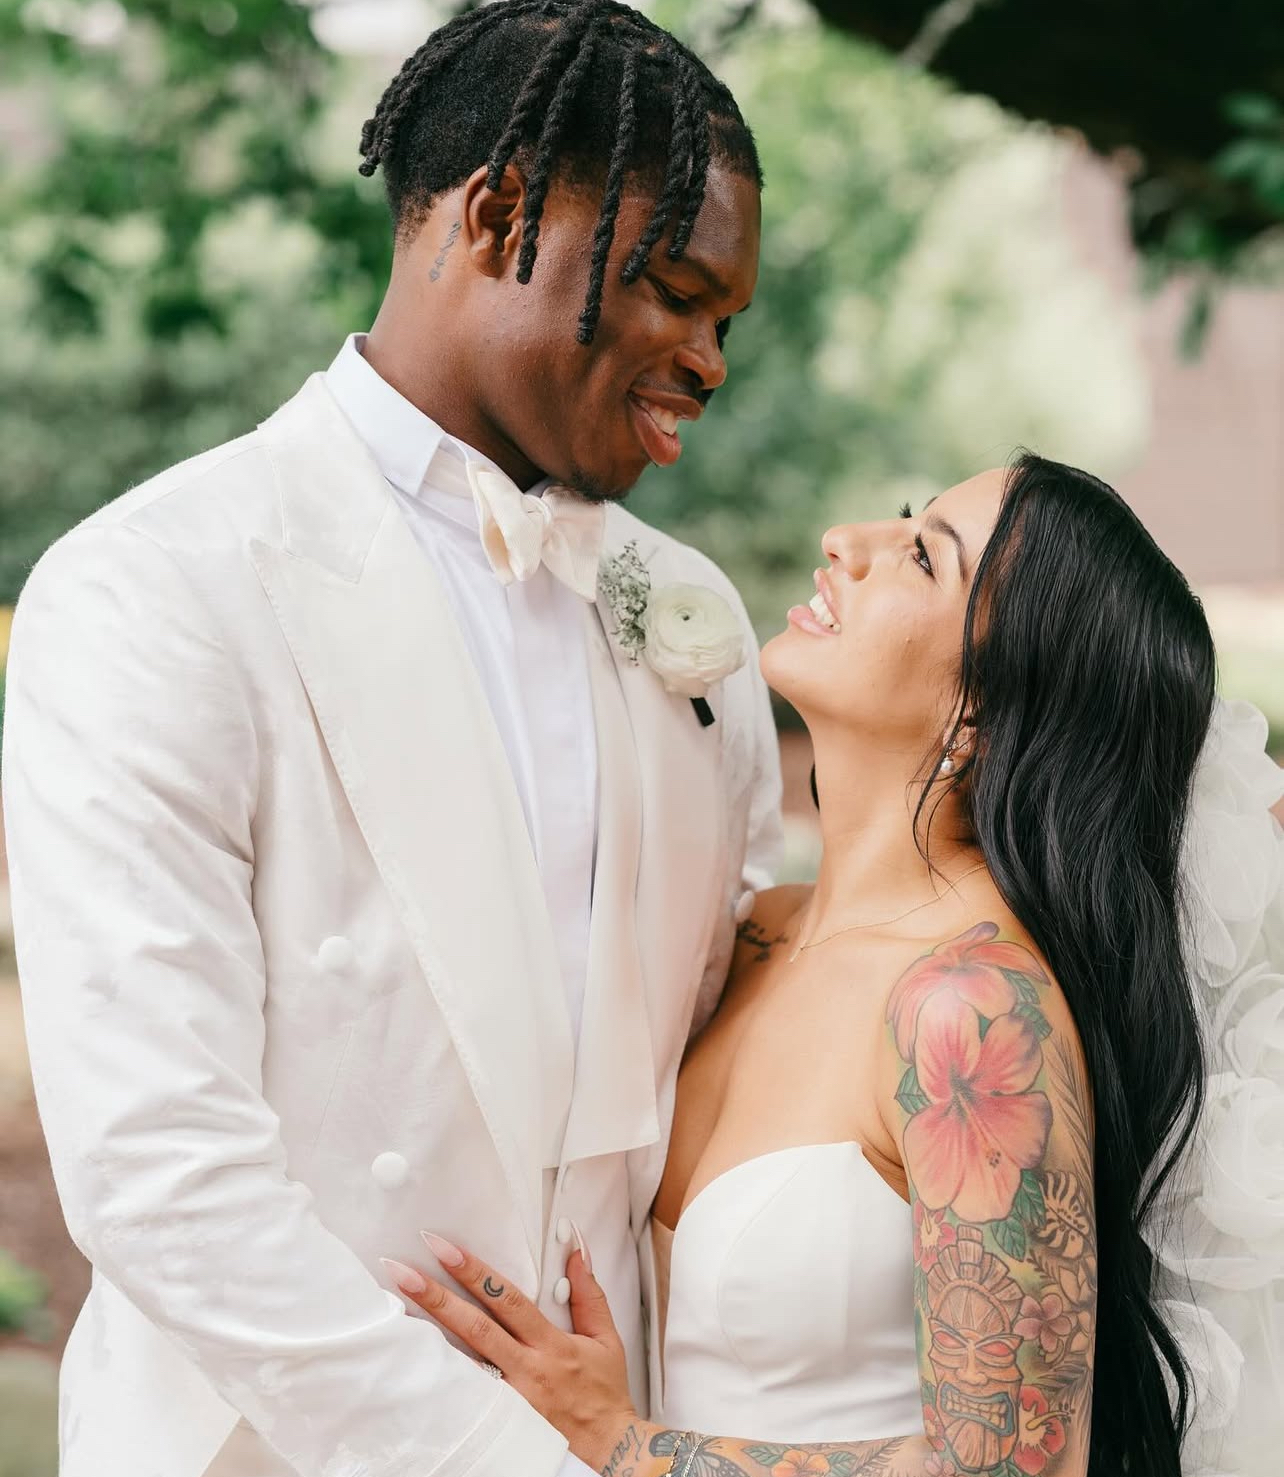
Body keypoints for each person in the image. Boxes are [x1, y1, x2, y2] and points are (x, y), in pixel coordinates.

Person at [1, 5, 781, 1477]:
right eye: (677, 293)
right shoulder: (158, 585)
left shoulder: (690, 616)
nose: (710, 360)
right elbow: (160, 1170)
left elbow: (719, 1075)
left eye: (725, 323)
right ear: (497, 217)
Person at [383, 454, 1283, 1477]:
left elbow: (1013, 1469)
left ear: (983, 713)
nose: (845, 544)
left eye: (923, 557)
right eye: (903, 519)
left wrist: (628, 1444)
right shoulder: (757, 935)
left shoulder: (972, 1009)